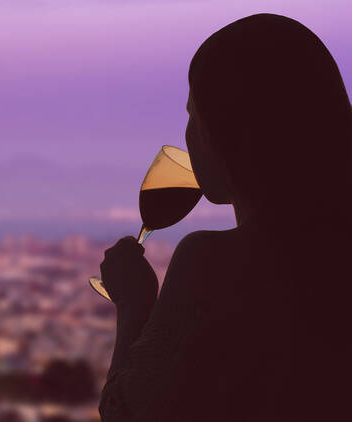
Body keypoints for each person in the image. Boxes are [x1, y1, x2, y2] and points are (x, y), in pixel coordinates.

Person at [97, 14, 352, 422]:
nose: (188, 133)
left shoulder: (210, 265)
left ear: (232, 129)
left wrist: (133, 304)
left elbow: (126, 414)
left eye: (194, 114)